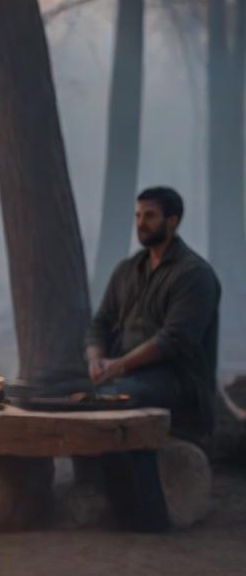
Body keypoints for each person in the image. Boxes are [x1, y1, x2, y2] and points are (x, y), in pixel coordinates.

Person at [86, 186, 221, 444]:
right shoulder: (128, 270)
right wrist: (97, 359)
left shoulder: (194, 274)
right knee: (69, 392)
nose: (141, 223)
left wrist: (118, 365)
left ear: (172, 221)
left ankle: (147, 482)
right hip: (124, 372)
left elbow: (174, 340)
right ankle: (93, 480)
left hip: (177, 378)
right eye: (138, 216)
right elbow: (100, 323)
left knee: (116, 399)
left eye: (149, 216)